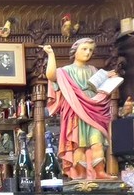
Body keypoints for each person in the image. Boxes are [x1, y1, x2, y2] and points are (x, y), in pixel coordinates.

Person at [44, 39, 115, 180]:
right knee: (78, 144)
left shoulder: (94, 70)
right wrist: (51, 54)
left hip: (94, 109)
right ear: (75, 51)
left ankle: (99, 172)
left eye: (90, 50)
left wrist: (110, 78)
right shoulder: (66, 71)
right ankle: (80, 174)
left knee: (97, 143)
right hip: (75, 110)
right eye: (84, 49)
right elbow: (51, 76)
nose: (88, 52)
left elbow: (102, 88)